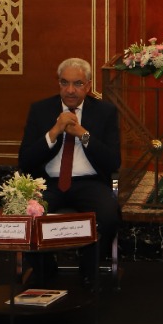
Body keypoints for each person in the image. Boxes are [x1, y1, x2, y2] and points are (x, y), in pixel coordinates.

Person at [18, 57, 121, 285]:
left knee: (109, 216)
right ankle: (45, 270)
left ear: (89, 85)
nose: (71, 90)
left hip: (90, 182)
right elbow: (25, 160)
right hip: (49, 183)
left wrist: (82, 134)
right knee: (25, 216)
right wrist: (54, 131)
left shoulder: (105, 112)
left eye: (78, 84)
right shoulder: (40, 110)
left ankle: (88, 270)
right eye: (65, 83)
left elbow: (113, 161)